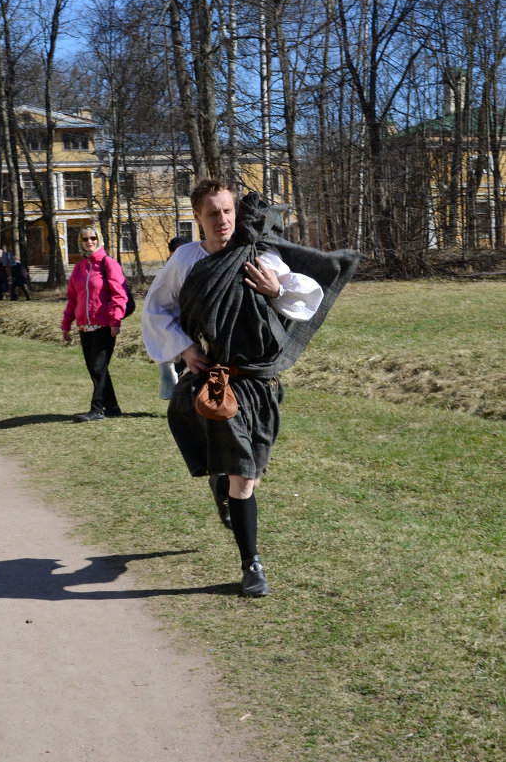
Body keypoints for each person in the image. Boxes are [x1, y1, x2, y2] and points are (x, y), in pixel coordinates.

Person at [142, 179, 360, 597]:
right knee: (245, 476)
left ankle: (222, 485)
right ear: (197, 218)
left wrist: (276, 290)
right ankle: (251, 564)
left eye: (227, 211)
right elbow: (157, 309)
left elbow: (302, 297)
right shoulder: (186, 260)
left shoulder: (258, 254)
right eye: (212, 213)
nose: (222, 220)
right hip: (219, 382)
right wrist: (185, 349)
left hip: (262, 384)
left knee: (249, 476)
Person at [61, 226, 127, 422]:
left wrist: (115, 320)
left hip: (105, 325)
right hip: (84, 326)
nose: (89, 242)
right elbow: (72, 299)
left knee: (98, 367)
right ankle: (113, 406)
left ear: (99, 240)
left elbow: (119, 294)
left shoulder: (108, 263)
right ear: (80, 242)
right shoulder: (79, 268)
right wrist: (66, 324)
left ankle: (97, 409)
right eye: (85, 239)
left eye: (93, 238)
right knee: (95, 368)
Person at [158, 235, 191, 400]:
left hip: (192, 328)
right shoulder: (165, 274)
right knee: (179, 367)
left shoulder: (195, 270)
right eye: (173, 253)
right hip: (173, 328)